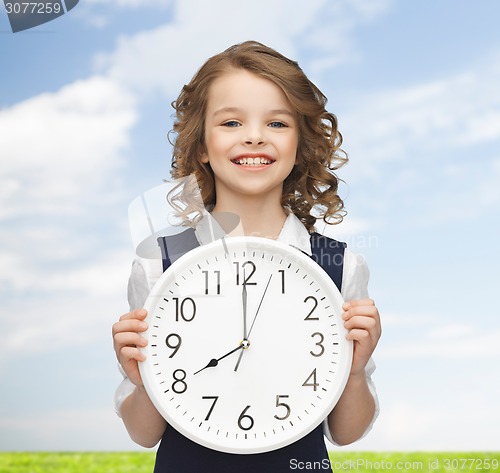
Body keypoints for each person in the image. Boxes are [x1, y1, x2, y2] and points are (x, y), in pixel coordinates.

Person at [112, 40, 381, 472]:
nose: (254, 135)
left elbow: (346, 433)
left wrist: (353, 370)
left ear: (300, 144)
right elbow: (144, 435)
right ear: (201, 145)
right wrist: (143, 381)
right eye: (232, 121)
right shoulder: (157, 265)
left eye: (276, 123)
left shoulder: (340, 267)